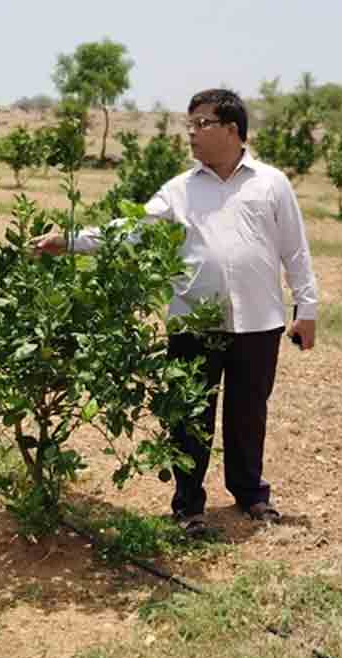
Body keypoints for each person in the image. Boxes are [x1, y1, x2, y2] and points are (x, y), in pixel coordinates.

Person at [34, 89, 319, 538]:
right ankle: (189, 506)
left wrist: (308, 307)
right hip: (193, 324)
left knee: (249, 413)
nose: (192, 133)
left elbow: (295, 250)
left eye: (201, 124)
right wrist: (70, 240)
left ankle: (250, 494)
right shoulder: (179, 190)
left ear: (232, 129)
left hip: (259, 322)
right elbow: (128, 230)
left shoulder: (272, 183)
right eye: (189, 124)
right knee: (189, 417)